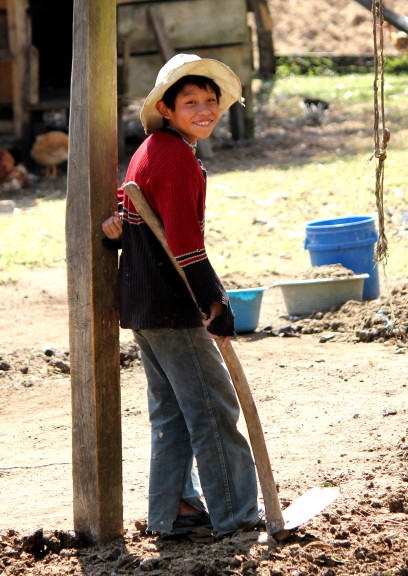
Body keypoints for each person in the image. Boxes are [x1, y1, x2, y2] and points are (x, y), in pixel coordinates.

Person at [102, 53, 262, 539]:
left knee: (171, 410)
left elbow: (128, 219)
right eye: (190, 101)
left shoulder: (152, 149)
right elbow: (185, 246)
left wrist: (114, 230)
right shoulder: (176, 160)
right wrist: (216, 302)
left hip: (143, 304)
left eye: (211, 101)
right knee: (214, 409)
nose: (204, 109)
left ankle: (175, 509)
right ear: (167, 109)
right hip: (172, 305)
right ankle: (235, 513)